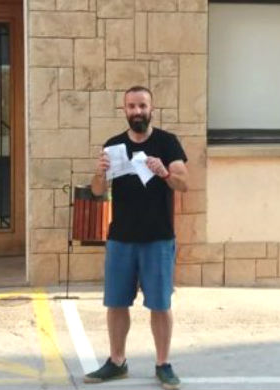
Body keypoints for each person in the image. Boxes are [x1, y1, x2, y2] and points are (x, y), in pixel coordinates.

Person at [84, 85, 189, 390]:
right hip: (121, 238)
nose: (137, 111)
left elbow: (184, 184)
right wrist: (100, 172)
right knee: (116, 303)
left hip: (157, 238)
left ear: (151, 108)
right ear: (124, 110)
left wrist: (165, 173)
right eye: (131, 106)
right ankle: (117, 362)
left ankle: (163, 364)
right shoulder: (113, 145)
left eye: (142, 106)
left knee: (159, 304)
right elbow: (98, 192)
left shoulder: (167, 143)